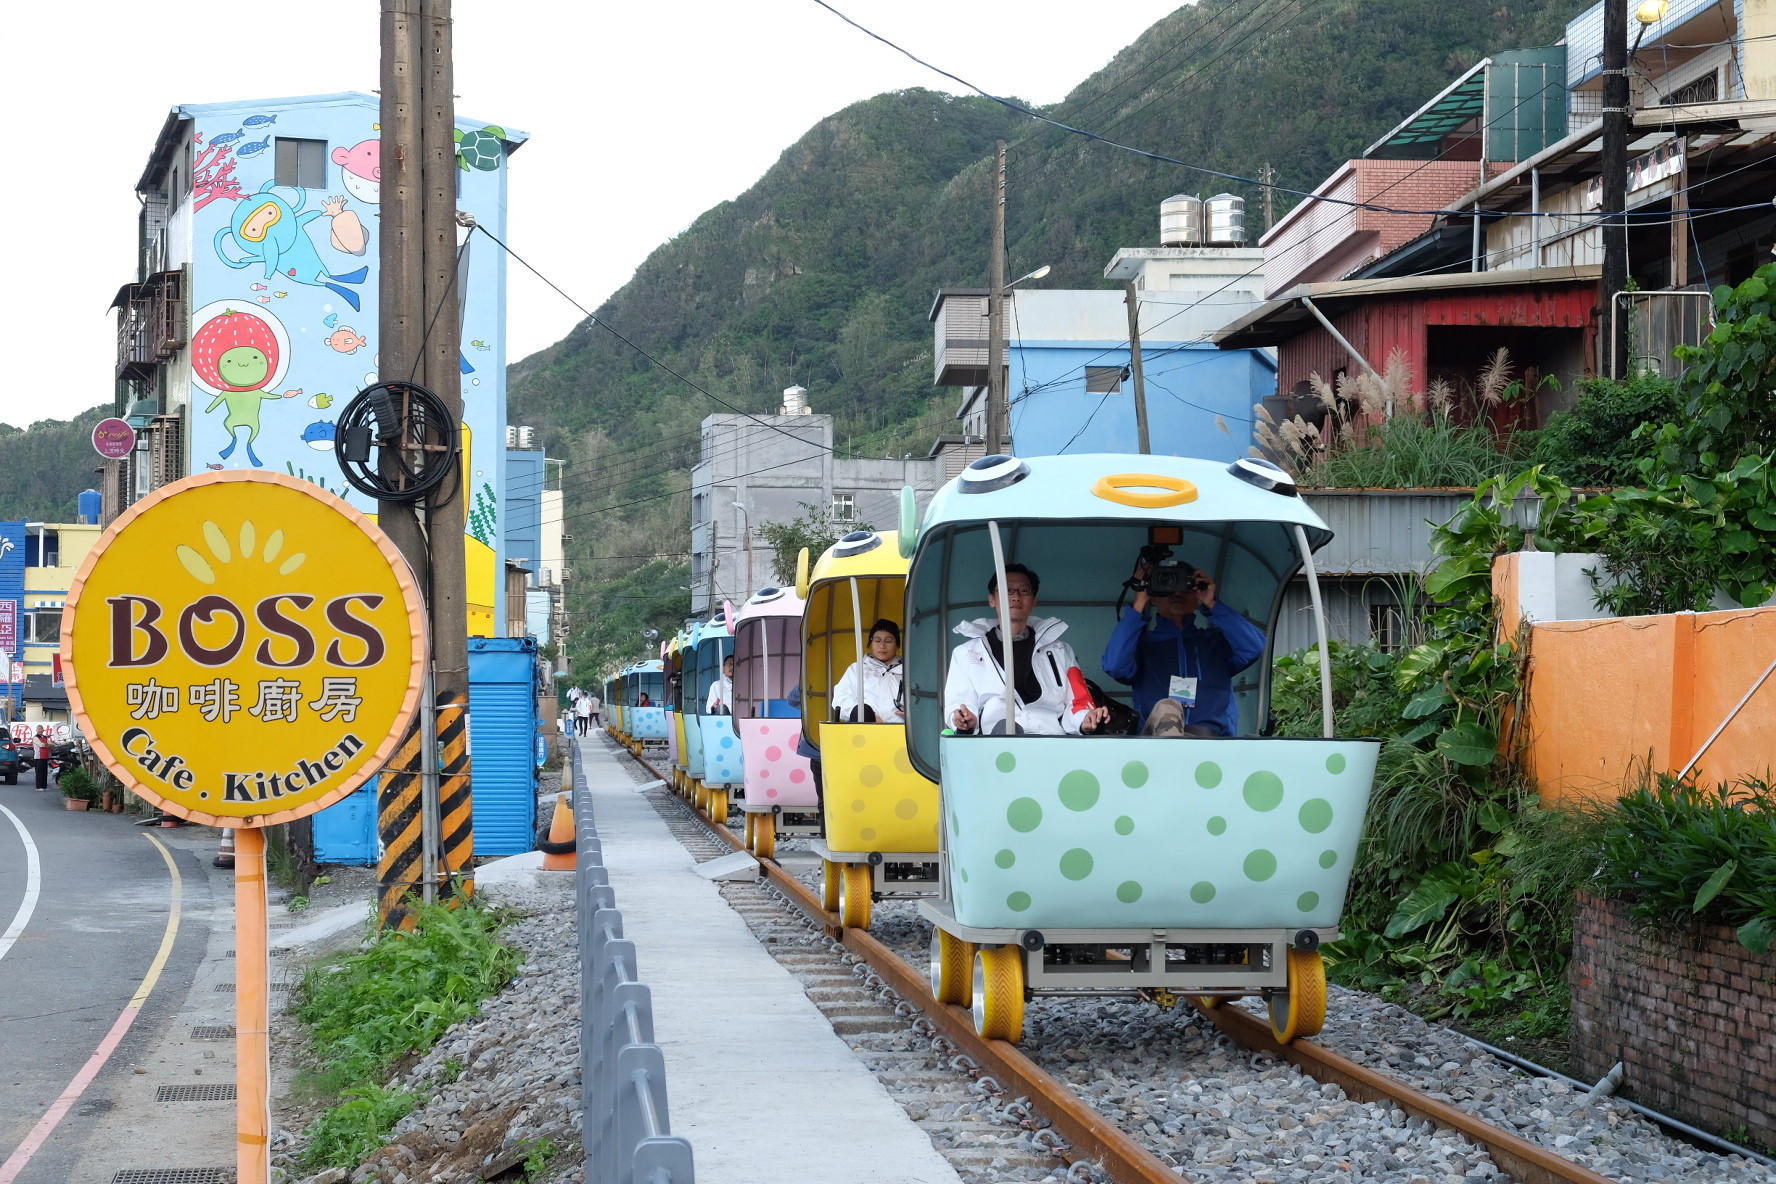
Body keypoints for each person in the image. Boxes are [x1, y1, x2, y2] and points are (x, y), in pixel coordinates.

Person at [1101, 558, 1266, 737]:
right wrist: (1139, 603)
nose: (1177, 593)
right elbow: (1115, 666)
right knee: (1167, 707)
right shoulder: (1142, 645)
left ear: (1196, 594)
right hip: (1156, 741)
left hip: (1211, 741)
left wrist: (1212, 604)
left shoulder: (1215, 642)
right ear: (1154, 597)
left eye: (1185, 585)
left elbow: (1254, 646)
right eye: (1166, 585)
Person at [945, 564, 1108, 736]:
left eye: (1024, 591)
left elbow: (1078, 702)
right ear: (992, 599)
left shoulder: (1061, 650)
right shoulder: (966, 652)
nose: (1015, 596)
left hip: (1050, 742)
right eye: (1007, 590)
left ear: (1034, 601)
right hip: (994, 745)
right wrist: (965, 721)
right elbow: (959, 703)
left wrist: (1085, 720)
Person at [832, 619, 906, 724]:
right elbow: (841, 699)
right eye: (877, 640)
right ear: (870, 643)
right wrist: (865, 715)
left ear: (897, 645)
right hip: (864, 731)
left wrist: (914, 712)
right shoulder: (857, 669)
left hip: (902, 731)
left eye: (888, 641)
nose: (882, 646)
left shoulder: (910, 671)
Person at [33, 726, 50, 791]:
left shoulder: (45, 737)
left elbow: (49, 743)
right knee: (39, 772)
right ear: (36, 730)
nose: (40, 730)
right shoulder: (35, 738)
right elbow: (40, 744)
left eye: (41, 729)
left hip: (45, 756)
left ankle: (44, 786)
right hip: (38, 757)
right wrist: (47, 745)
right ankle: (38, 786)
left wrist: (50, 744)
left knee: (45, 772)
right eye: (39, 729)